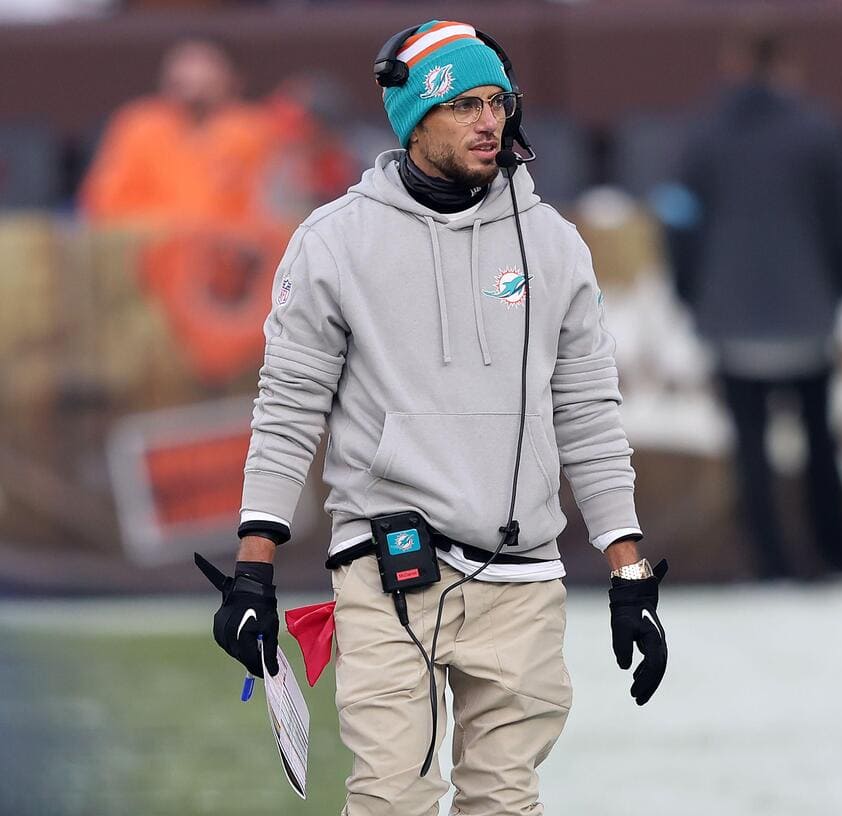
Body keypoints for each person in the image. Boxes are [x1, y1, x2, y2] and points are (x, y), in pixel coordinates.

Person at [197, 20, 670, 816]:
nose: (490, 122)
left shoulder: (554, 246)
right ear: (416, 119)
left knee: (503, 802)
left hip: (521, 580)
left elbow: (589, 415)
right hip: (386, 571)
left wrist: (629, 573)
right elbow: (287, 412)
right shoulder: (334, 243)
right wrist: (255, 567)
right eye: (465, 107)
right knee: (390, 800)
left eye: (499, 103)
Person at [675, 30, 842, 579]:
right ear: (787, 62)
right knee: (820, 441)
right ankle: (837, 557)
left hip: (730, 317)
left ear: (733, 62)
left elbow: (681, 225)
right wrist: (834, 293)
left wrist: (694, 296)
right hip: (808, 315)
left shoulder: (704, 135)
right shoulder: (820, 132)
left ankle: (769, 564)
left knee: (751, 449)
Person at [79, 38, 271, 230]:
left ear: (234, 80)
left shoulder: (255, 129)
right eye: (182, 77)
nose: (194, 78)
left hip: (234, 250)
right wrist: (176, 228)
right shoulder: (140, 125)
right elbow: (104, 202)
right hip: (152, 248)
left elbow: (269, 208)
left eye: (207, 72)